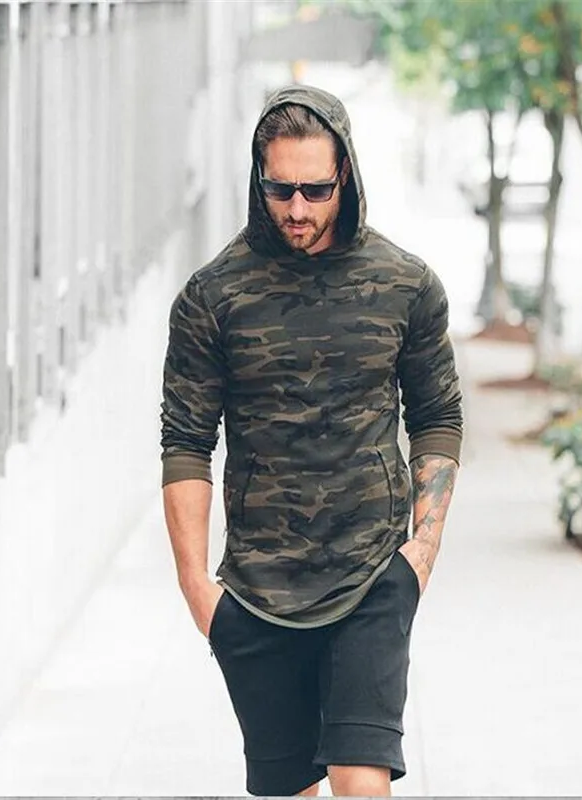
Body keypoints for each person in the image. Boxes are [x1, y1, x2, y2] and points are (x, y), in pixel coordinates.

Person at [160, 85, 462, 798]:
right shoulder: (212, 298)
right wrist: (197, 588)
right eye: (280, 189)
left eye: (315, 190)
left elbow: (437, 416)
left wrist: (421, 551)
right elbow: (186, 442)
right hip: (258, 591)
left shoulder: (407, 285)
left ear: (345, 174)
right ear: (258, 179)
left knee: (361, 780)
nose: (297, 209)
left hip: (372, 574)